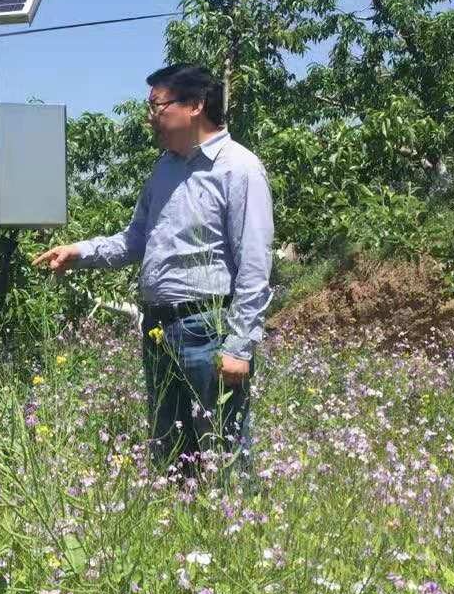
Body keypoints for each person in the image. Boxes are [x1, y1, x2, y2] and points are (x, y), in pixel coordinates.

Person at [33, 64, 274, 481]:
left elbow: (254, 264)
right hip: (159, 329)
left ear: (195, 105)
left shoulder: (239, 168)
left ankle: (236, 534)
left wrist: (239, 347)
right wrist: (80, 252)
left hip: (208, 328)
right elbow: (136, 239)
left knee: (224, 454)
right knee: (171, 454)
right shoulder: (164, 169)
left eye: (156, 105)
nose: (150, 117)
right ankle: (182, 536)